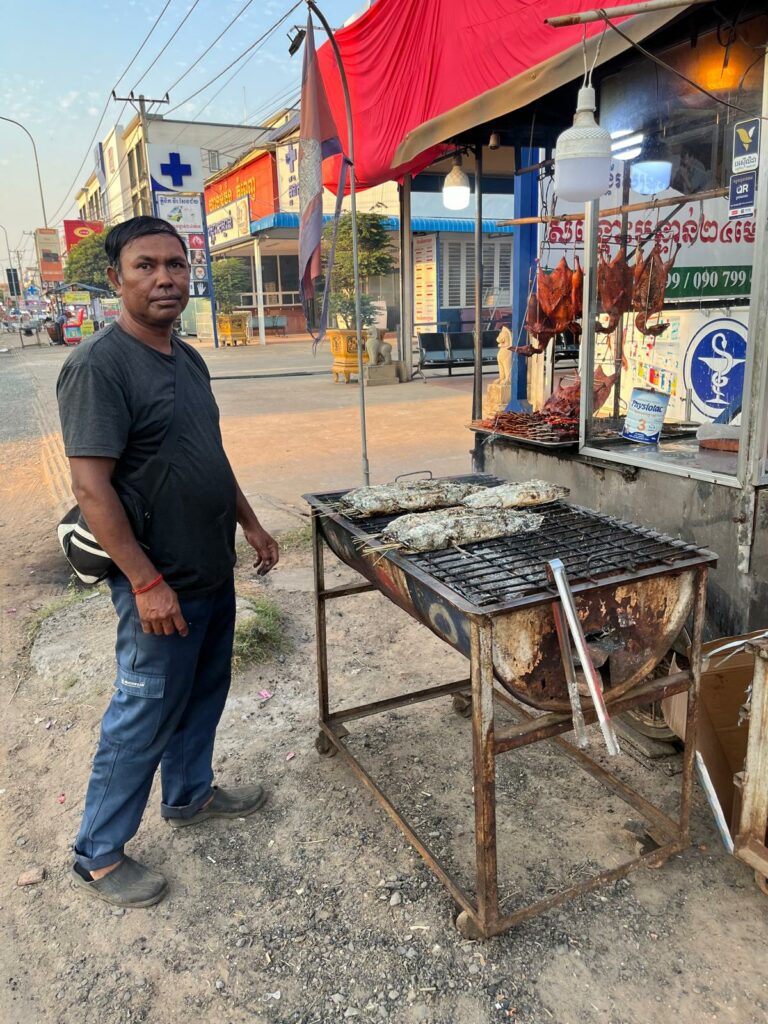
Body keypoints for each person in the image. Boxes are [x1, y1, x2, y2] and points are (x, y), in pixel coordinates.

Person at [56, 216, 279, 909]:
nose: (164, 279)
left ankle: (188, 795)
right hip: (159, 581)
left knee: (203, 694)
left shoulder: (188, 357)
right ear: (117, 278)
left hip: (210, 566)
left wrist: (251, 523)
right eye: (145, 266)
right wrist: (145, 582)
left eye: (175, 266)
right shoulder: (99, 365)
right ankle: (96, 853)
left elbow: (206, 454)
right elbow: (92, 489)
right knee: (143, 712)